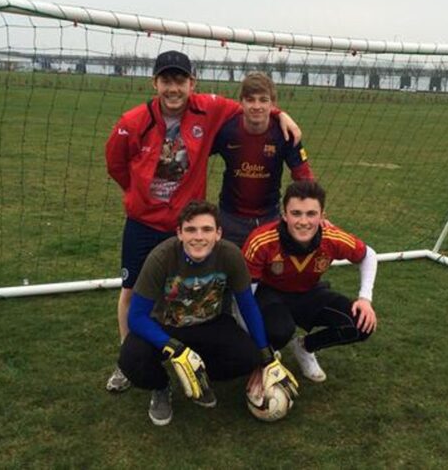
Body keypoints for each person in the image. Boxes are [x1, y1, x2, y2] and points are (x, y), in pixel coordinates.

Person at [104, 51, 301, 392]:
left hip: (185, 225)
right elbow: (115, 164)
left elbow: (251, 106)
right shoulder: (133, 121)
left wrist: (282, 114)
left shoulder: (210, 108)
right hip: (143, 223)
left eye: (180, 81)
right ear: (155, 83)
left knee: (194, 290)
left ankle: (199, 349)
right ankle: (128, 360)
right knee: (132, 290)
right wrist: (138, 194)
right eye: (166, 81)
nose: (173, 88)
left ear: (191, 84)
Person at [118, 200, 297, 425]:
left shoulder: (230, 255)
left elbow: (247, 305)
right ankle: (162, 387)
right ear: (179, 233)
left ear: (218, 233)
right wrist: (173, 347)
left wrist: (266, 355)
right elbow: (136, 316)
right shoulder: (161, 257)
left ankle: (200, 379)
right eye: (191, 229)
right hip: (168, 326)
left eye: (207, 229)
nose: (199, 237)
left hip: (211, 323)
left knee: (248, 357)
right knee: (131, 359)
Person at [242, 180, 378, 382]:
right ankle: (266, 357)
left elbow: (368, 255)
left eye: (311, 214)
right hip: (270, 294)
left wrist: (365, 299)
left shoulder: (332, 237)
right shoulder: (262, 240)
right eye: (296, 213)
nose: (303, 221)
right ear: (284, 214)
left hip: (309, 292)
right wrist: (253, 340)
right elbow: (244, 295)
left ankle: (305, 346)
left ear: (322, 216)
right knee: (279, 331)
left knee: (361, 324)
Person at [211, 72, 314, 249]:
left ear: (272, 103)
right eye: (250, 99)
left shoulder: (285, 134)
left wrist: (314, 211)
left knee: (270, 274)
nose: (256, 106)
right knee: (231, 273)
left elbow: (304, 176)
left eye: (263, 100)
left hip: (269, 218)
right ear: (241, 102)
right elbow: (196, 157)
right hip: (230, 219)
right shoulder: (227, 130)